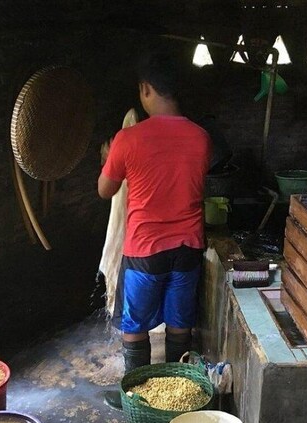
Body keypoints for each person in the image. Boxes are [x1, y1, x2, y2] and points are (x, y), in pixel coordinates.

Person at [98, 51, 212, 375]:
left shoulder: (127, 139)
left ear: (146, 88)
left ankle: (138, 394)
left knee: (134, 326)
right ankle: (178, 389)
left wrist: (109, 157)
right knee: (179, 325)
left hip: (145, 251)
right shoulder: (201, 138)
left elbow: (105, 190)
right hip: (188, 249)